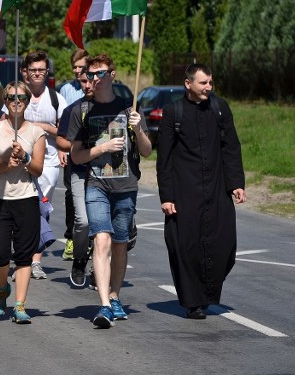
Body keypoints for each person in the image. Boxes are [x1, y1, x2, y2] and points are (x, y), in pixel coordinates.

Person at [67, 54, 152, 328]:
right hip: (96, 185)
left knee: (120, 243)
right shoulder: (82, 111)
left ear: (112, 75)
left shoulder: (128, 109)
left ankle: (115, 296)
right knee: (101, 240)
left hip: (126, 187)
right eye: (90, 75)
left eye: (100, 73)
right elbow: (76, 157)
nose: (94, 79)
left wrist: (138, 130)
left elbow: (148, 151)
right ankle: (104, 304)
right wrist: (101, 149)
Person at [156, 63, 246, 320]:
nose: (208, 87)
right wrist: (167, 196)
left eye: (210, 82)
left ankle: (207, 291)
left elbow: (231, 147)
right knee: (186, 247)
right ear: (188, 84)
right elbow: (164, 159)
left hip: (217, 189)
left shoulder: (220, 109)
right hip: (185, 193)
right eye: (203, 83)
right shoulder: (173, 113)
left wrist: (236, 183)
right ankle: (193, 301)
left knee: (225, 244)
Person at [0, 81, 45, 323]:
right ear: (4, 101)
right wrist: (5, 165)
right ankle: (1, 289)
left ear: (28, 101)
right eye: (10, 98)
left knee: (24, 254)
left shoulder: (36, 132)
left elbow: (37, 170)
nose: (16, 101)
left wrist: (26, 157)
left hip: (26, 198)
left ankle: (19, 305)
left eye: (21, 98)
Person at [7, 50, 67, 280]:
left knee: (41, 209)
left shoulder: (55, 98)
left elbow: (63, 131)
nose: (38, 74)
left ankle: (35, 261)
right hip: (18, 162)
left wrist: (38, 125)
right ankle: (23, 257)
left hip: (48, 162)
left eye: (42, 69)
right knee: (21, 209)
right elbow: (5, 122)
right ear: (25, 72)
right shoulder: (17, 95)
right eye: (33, 70)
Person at [56, 70, 93, 286]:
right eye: (83, 81)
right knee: (83, 221)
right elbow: (61, 139)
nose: (87, 85)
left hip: (106, 172)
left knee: (101, 224)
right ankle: (79, 259)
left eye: (91, 80)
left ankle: (99, 268)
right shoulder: (74, 109)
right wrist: (77, 143)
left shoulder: (113, 108)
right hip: (80, 169)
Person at [58, 48, 89, 261]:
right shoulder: (66, 90)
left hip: (94, 152)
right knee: (72, 195)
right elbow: (62, 123)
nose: (78, 72)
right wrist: (63, 148)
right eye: (75, 67)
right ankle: (72, 237)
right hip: (72, 148)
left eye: (82, 67)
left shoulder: (98, 89)